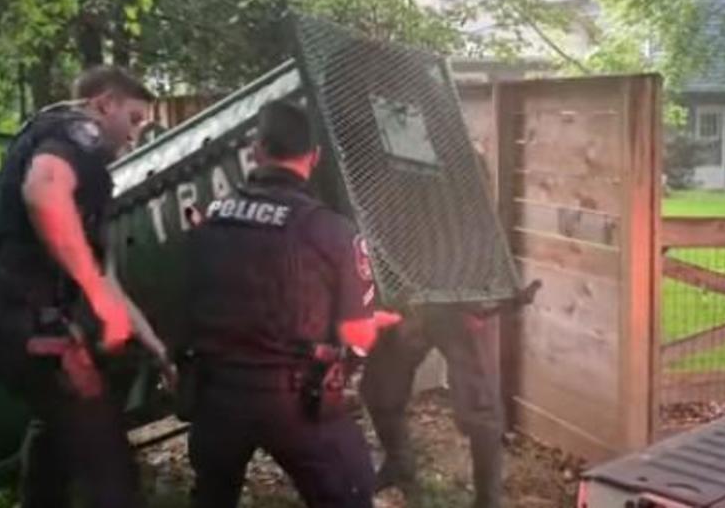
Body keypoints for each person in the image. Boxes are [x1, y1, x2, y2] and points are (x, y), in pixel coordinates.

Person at [178, 100, 402, 508]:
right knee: (350, 493)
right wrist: (374, 322)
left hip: (215, 397)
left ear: (256, 150)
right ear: (314, 157)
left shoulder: (208, 219)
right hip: (296, 401)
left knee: (213, 495)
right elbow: (356, 333)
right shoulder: (331, 231)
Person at [0, 65, 154, 508]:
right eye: (135, 119)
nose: (135, 135)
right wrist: (98, 299)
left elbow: (105, 279)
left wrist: (157, 348)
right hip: (12, 311)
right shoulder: (77, 132)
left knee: (60, 425)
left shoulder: (85, 170)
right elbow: (43, 192)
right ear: (104, 105)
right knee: (107, 460)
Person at [360, 146, 509, 508]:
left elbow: (481, 222)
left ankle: (489, 499)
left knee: (480, 403)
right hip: (410, 291)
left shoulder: (466, 157)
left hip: (461, 291)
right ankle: (399, 463)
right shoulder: (392, 159)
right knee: (379, 386)